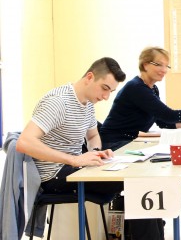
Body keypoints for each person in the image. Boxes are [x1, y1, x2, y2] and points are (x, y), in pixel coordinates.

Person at [15, 58, 127, 232]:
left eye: (110, 92)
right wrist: (73, 160)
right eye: (105, 88)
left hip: (73, 168)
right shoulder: (58, 101)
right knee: (130, 182)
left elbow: (93, 135)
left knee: (131, 178)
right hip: (54, 176)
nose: (106, 97)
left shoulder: (88, 103)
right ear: (90, 77)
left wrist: (96, 153)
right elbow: (24, 142)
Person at [99, 46, 181, 218]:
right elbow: (169, 115)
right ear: (145, 65)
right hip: (115, 143)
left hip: (131, 141)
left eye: (166, 66)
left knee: (175, 150)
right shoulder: (136, 88)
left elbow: (163, 122)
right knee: (163, 156)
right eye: (159, 64)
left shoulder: (151, 89)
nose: (164, 70)